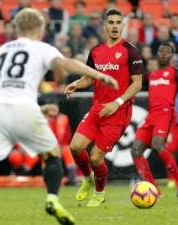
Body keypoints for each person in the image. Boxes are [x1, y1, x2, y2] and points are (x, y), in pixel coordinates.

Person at [0, 8, 118, 225]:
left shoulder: (2, 49)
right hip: (24, 108)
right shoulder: (41, 47)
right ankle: (53, 199)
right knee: (53, 156)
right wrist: (99, 75)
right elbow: (64, 64)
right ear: (41, 28)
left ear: (17, 28)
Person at [65, 8, 143, 208]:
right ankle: (88, 179)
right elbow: (89, 77)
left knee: (96, 157)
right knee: (75, 147)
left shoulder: (130, 50)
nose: (115, 26)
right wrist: (77, 83)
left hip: (118, 113)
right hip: (97, 108)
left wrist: (116, 102)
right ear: (105, 26)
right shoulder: (96, 51)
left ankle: (99, 193)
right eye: (111, 22)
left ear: (123, 25)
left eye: (118, 22)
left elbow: (137, 84)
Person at [131, 43, 178, 197]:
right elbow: (133, 82)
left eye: (167, 52)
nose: (163, 54)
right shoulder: (150, 75)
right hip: (151, 116)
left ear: (172, 56)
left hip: (166, 113)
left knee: (158, 145)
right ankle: (153, 189)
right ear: (156, 53)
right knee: (135, 150)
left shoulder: (176, 72)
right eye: (161, 51)